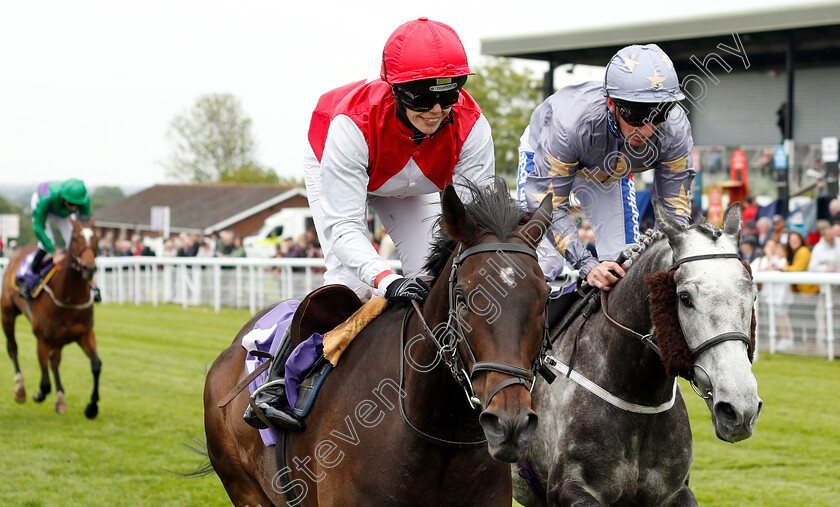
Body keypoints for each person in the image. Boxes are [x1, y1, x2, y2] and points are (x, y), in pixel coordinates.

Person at [245, 18, 495, 430]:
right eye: (421, 97)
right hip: (343, 163)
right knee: (352, 285)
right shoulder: (351, 123)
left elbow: (470, 224)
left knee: (441, 283)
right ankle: (280, 381)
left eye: (448, 94)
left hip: (416, 183)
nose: (436, 110)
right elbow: (344, 226)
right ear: (396, 89)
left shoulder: (472, 125)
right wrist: (386, 280)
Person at [516, 43, 693, 290]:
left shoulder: (675, 129)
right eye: (637, 114)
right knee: (545, 263)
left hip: (609, 169)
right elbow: (547, 207)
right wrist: (586, 265)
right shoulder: (568, 125)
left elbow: (674, 208)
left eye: (659, 115)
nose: (647, 129)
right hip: (551, 156)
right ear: (611, 103)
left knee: (623, 264)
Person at [20, 179, 100, 301]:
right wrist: (54, 253)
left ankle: (88, 281)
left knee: (73, 242)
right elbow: (38, 228)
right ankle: (29, 280)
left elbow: (86, 226)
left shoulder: (83, 200)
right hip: (45, 205)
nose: (74, 208)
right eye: (71, 204)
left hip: (61, 212)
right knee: (47, 242)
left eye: (76, 205)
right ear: (63, 198)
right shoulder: (46, 199)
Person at [752, 239, 794, 349]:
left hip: (781, 294)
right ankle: (779, 340)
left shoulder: (782, 260)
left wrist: (769, 259)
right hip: (770, 295)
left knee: (782, 316)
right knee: (776, 317)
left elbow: (773, 268)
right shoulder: (761, 259)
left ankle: (787, 339)